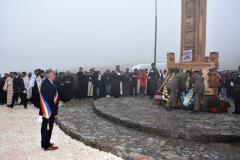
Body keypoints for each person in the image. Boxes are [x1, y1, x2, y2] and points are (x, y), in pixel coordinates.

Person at [39, 69, 59, 151]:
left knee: (46, 128)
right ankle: (46, 145)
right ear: (50, 75)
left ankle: (45, 142)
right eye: (54, 74)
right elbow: (50, 99)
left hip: (48, 110)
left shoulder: (47, 82)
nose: (55, 75)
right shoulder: (47, 84)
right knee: (47, 128)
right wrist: (54, 111)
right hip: (49, 110)